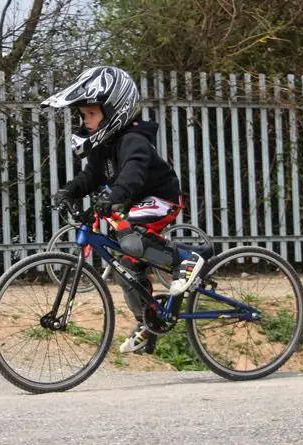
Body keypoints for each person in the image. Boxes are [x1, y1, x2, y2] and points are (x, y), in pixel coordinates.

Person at [41, 66, 205, 354]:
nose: (85, 121)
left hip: (161, 198)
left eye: (91, 114)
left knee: (130, 237)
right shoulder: (103, 145)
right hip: (132, 201)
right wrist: (70, 191)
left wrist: (115, 196)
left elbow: (133, 173)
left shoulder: (134, 139)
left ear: (115, 109)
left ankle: (186, 260)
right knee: (125, 267)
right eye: (83, 115)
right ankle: (148, 321)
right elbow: (90, 177)